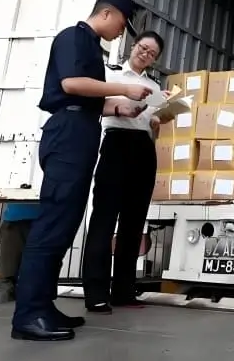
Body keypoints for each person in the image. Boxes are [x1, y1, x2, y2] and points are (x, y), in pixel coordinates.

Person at [11, 0, 153, 342]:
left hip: (82, 129)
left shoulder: (93, 48)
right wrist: (124, 90)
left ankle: (44, 304)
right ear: (107, 13)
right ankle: (28, 315)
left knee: (67, 223)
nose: (123, 31)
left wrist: (119, 108)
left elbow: (87, 100)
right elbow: (71, 85)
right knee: (54, 221)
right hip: (68, 133)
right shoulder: (74, 37)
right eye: (123, 23)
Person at [81, 30, 173, 314]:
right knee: (104, 220)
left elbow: (151, 122)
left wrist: (158, 120)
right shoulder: (111, 76)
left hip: (143, 149)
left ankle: (123, 291)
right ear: (134, 47)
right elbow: (97, 106)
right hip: (116, 144)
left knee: (133, 224)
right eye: (143, 48)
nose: (145, 55)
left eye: (152, 54)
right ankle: (96, 292)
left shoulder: (152, 85)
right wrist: (122, 109)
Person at [0, 203, 40, 304]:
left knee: (39, 276)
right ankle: (5, 315)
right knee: (8, 277)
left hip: (41, 221)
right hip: (15, 221)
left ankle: (37, 315)